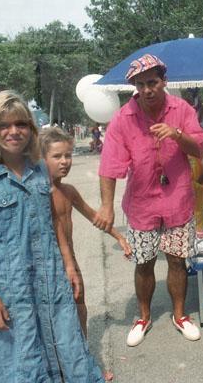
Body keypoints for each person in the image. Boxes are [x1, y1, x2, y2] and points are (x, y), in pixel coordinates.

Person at [0, 90, 105, 382]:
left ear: (31, 128)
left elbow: (53, 221)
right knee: (21, 362)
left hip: (52, 280)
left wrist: (69, 266)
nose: (13, 131)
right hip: (9, 290)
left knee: (69, 350)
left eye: (21, 124)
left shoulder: (40, 170)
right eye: (4, 125)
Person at [94, 54, 203, 347]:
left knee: (177, 261)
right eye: (140, 84)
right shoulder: (123, 118)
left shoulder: (182, 109)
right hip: (142, 205)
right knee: (144, 263)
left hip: (177, 201)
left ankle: (180, 315)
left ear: (164, 81)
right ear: (134, 86)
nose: (147, 90)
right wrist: (106, 206)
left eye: (152, 82)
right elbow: (109, 165)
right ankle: (143, 317)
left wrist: (177, 134)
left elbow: (199, 148)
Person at [39, 126, 132, 337]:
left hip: (71, 259)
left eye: (68, 155)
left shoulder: (68, 191)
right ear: (41, 159)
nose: (65, 161)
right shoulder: (39, 194)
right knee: (54, 315)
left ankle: (83, 349)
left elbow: (94, 217)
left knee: (80, 305)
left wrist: (119, 237)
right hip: (49, 263)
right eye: (57, 156)